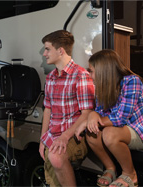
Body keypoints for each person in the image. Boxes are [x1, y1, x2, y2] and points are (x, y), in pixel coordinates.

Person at [75, 49, 143, 187]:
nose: (89, 74)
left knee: (109, 134)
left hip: (142, 131)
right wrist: (93, 115)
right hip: (123, 130)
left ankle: (130, 174)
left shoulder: (132, 82)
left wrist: (89, 121)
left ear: (103, 70)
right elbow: (99, 112)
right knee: (91, 134)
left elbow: (121, 118)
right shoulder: (103, 87)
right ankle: (110, 168)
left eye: (91, 70)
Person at [39, 30, 95, 186]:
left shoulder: (81, 75)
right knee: (52, 181)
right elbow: (47, 110)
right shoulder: (50, 78)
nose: (44, 53)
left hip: (73, 137)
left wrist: (64, 136)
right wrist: (42, 139)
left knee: (56, 157)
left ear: (60, 50)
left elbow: (87, 114)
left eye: (47, 49)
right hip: (52, 136)